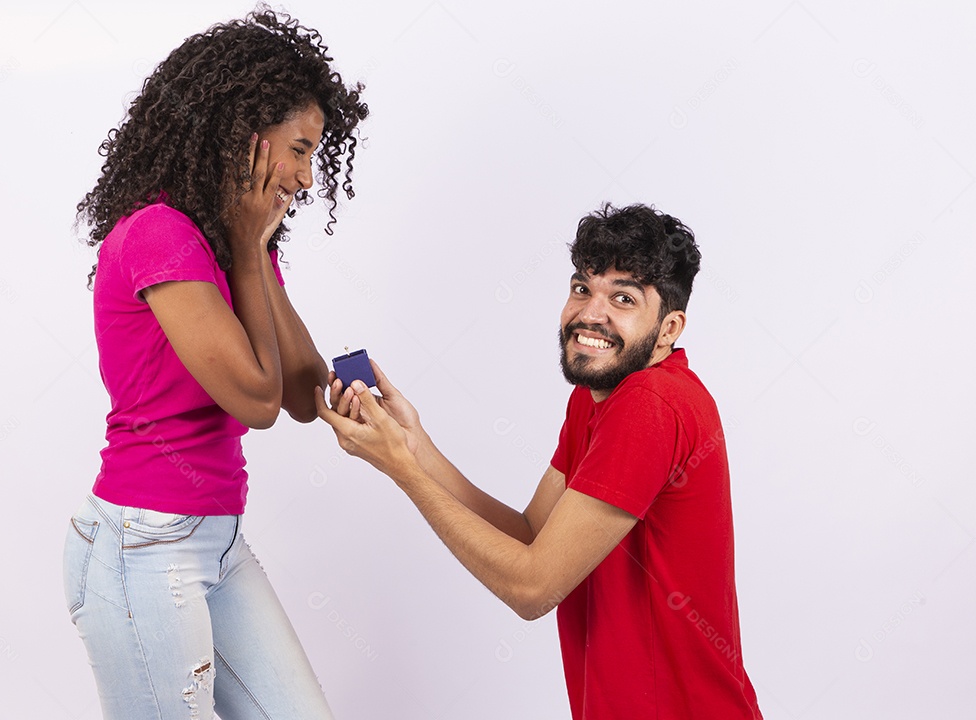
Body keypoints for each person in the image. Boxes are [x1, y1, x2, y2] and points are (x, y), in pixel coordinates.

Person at [317, 204, 763, 719]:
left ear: (668, 329)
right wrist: (413, 445)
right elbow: (531, 534)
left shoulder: (650, 405)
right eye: (582, 288)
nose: (590, 314)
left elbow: (531, 588)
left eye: (622, 298)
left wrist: (404, 472)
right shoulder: (599, 395)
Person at [61, 8, 367, 720]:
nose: (305, 176)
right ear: (244, 132)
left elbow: (295, 389)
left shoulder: (232, 240)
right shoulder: (161, 235)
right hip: (141, 546)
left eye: (314, 154)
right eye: (297, 149)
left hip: (215, 542)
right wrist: (247, 240)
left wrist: (254, 249)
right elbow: (255, 405)